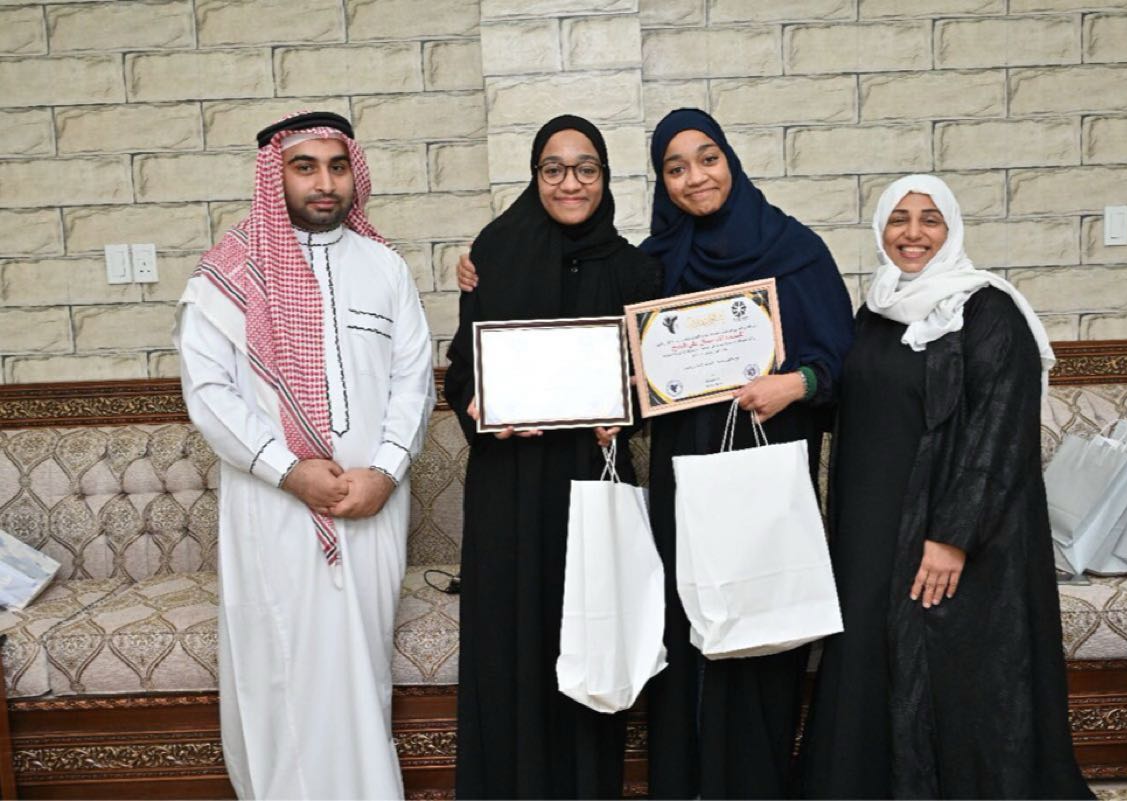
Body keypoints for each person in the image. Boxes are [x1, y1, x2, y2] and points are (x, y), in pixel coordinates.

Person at [798, 174, 1092, 799]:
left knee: (947, 668)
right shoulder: (876, 309)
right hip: (871, 524)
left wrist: (952, 536)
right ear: (880, 228)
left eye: (929, 219)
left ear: (952, 228)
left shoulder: (987, 310)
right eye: (899, 219)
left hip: (955, 532)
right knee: (869, 655)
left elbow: (1001, 432)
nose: (913, 234)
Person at [175, 110, 435, 799]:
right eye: (305, 167)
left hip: (373, 505)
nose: (325, 182)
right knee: (283, 666)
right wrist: (288, 471)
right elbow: (209, 393)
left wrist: (384, 471)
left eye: (337, 166)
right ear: (275, 176)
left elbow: (414, 382)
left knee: (360, 668)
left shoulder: (385, 268)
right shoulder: (226, 276)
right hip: (273, 508)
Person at [632, 108, 854, 799]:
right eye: (675, 167)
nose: (695, 177)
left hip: (766, 461)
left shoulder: (795, 249)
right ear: (662, 181)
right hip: (683, 468)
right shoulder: (654, 260)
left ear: (730, 160)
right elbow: (624, 360)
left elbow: (844, 361)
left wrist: (797, 383)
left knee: (761, 613)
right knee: (687, 618)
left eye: (708, 158)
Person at [443, 115, 662, 798]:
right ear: (535, 175)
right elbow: (463, 372)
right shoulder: (494, 251)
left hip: (588, 481)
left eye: (586, 168)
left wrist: (625, 416)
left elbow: (652, 385)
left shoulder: (636, 269)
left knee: (589, 636)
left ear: (605, 177)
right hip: (508, 486)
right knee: (510, 648)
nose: (571, 182)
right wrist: (480, 407)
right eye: (554, 168)